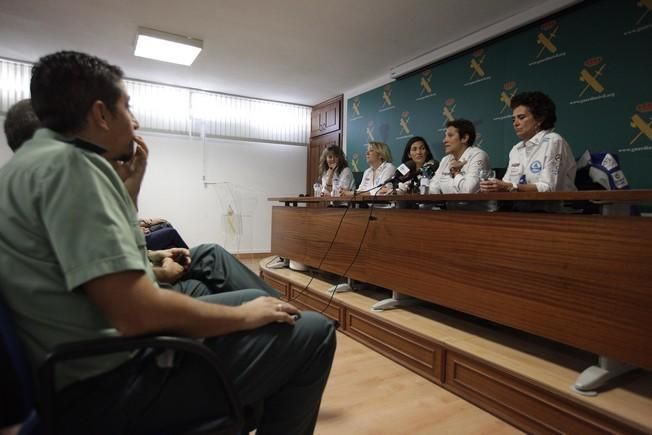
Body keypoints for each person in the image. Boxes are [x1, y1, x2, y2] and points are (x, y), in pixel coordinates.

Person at [0, 51, 335, 435]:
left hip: (76, 370)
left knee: (272, 312)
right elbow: (137, 313)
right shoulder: (73, 167)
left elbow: (112, 266)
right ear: (101, 114)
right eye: (127, 106)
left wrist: (131, 190)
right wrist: (244, 317)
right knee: (315, 333)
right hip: (114, 384)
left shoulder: (27, 168)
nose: (136, 120)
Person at [3, 99, 280, 301]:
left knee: (209, 253)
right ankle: (284, 320)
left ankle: (279, 312)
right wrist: (160, 273)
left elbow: (113, 253)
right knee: (205, 285)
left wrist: (155, 256)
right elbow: (108, 281)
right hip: (129, 316)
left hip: (136, 283)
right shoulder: (53, 194)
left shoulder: (35, 184)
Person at [480, 91, 576, 193]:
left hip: (554, 207)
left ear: (540, 119)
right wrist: (495, 186)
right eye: (513, 119)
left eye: (521, 117)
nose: (515, 123)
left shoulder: (553, 141)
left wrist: (510, 187)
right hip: (519, 206)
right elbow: (507, 183)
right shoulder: (516, 149)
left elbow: (549, 188)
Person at [429, 119, 490, 194]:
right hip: (450, 205)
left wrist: (456, 173)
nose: (444, 140)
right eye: (445, 136)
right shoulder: (445, 160)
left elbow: (469, 191)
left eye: (450, 135)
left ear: (464, 138)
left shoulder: (478, 155)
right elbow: (434, 187)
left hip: (475, 206)